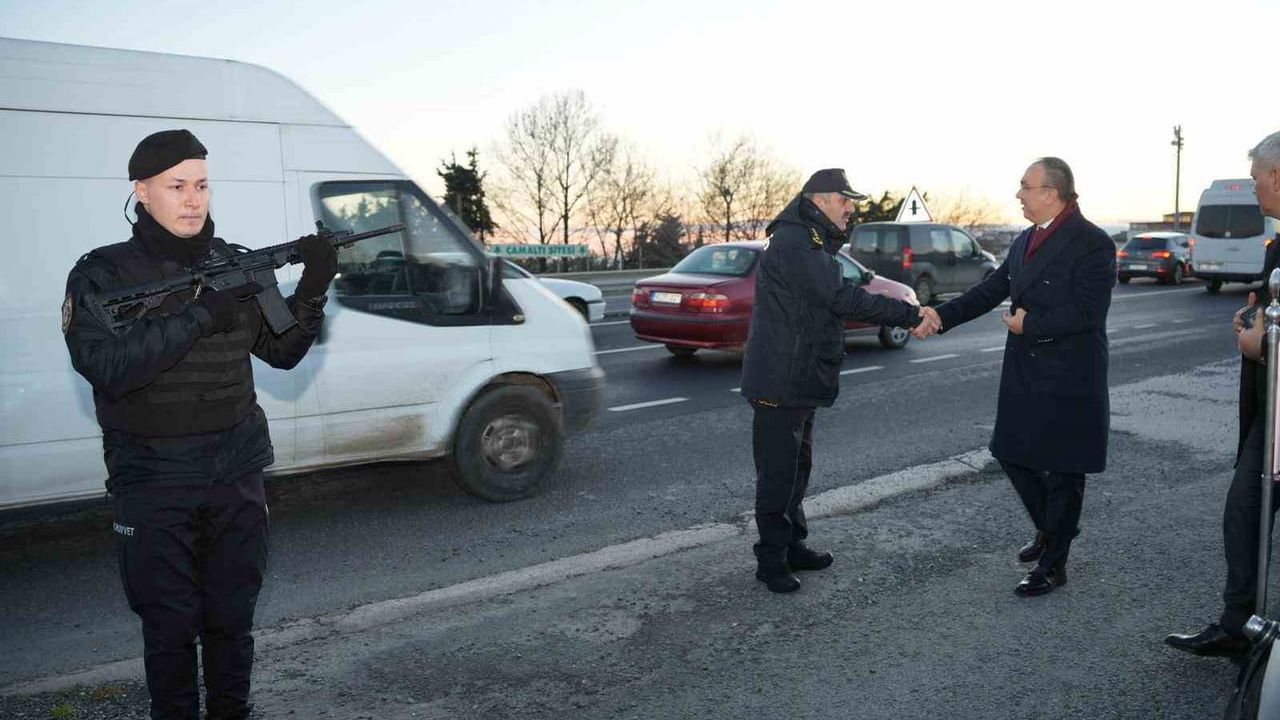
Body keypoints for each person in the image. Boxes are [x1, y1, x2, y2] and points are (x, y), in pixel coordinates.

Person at [62, 129, 337, 719]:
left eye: (202, 185)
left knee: (232, 622)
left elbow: (284, 350)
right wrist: (198, 316)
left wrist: (314, 283)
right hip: (153, 480)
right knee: (169, 630)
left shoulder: (237, 265)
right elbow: (105, 367)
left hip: (235, 474)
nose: (192, 199)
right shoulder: (101, 274)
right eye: (176, 186)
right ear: (141, 190)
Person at [919, 157, 1114, 597]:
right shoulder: (1025, 239)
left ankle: (1054, 563)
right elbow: (991, 290)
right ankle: (1054, 528)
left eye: (1026, 186)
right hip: (1026, 368)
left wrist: (1032, 325)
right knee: (1010, 451)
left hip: (1069, 372)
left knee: (1064, 468)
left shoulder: (1093, 243)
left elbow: (1088, 312)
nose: (1018, 194)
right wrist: (939, 317)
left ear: (1052, 192)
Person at [739, 168, 939, 593]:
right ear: (820, 199)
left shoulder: (807, 239)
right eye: (845, 200)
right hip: (780, 377)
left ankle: (793, 545)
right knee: (778, 475)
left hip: (796, 373)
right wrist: (912, 313)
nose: (850, 208)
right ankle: (771, 560)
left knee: (797, 468)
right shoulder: (797, 242)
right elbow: (840, 298)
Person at [1166, 130, 1280, 657]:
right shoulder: (1276, 242)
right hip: (1271, 409)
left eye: (1257, 178)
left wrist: (1261, 342)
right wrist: (1253, 319)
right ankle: (1239, 625)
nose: (1255, 189)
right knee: (1244, 509)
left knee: (1248, 506)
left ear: (1277, 175)